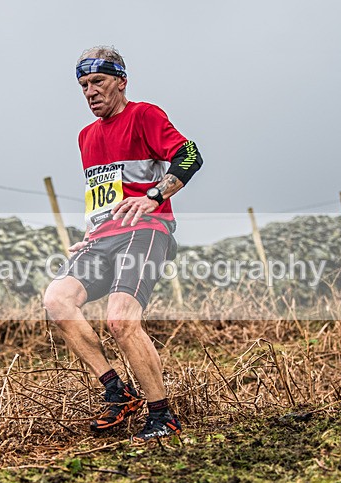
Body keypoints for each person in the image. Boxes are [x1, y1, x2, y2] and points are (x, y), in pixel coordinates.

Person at [43, 46, 203, 446]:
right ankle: (117, 390)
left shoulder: (144, 115)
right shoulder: (86, 137)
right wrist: (90, 233)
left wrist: (154, 195)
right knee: (57, 299)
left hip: (146, 230)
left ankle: (163, 416)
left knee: (120, 321)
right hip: (101, 239)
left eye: (98, 82)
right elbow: (103, 194)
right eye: (83, 85)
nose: (90, 92)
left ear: (121, 81)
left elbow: (190, 155)